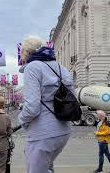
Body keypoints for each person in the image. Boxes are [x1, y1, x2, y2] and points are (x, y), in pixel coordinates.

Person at [18, 35, 72, 173]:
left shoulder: (32, 68)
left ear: (26, 52)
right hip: (63, 131)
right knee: (47, 168)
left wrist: (22, 120)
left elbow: (32, 107)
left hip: (42, 132)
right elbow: (73, 96)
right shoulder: (61, 68)